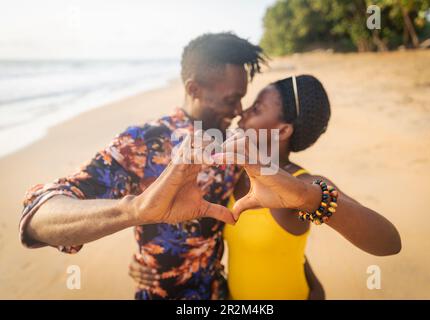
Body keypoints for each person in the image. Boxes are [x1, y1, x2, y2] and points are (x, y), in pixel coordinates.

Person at [20, 32, 265, 299]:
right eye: (231, 100)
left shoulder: (232, 143)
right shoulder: (143, 142)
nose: (240, 109)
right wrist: (136, 210)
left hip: (218, 292)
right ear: (194, 89)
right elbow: (38, 216)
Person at [129, 75, 402, 300]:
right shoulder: (231, 173)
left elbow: (388, 242)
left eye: (256, 109)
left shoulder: (302, 182)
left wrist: (306, 197)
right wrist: (151, 264)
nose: (242, 113)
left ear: (282, 131)